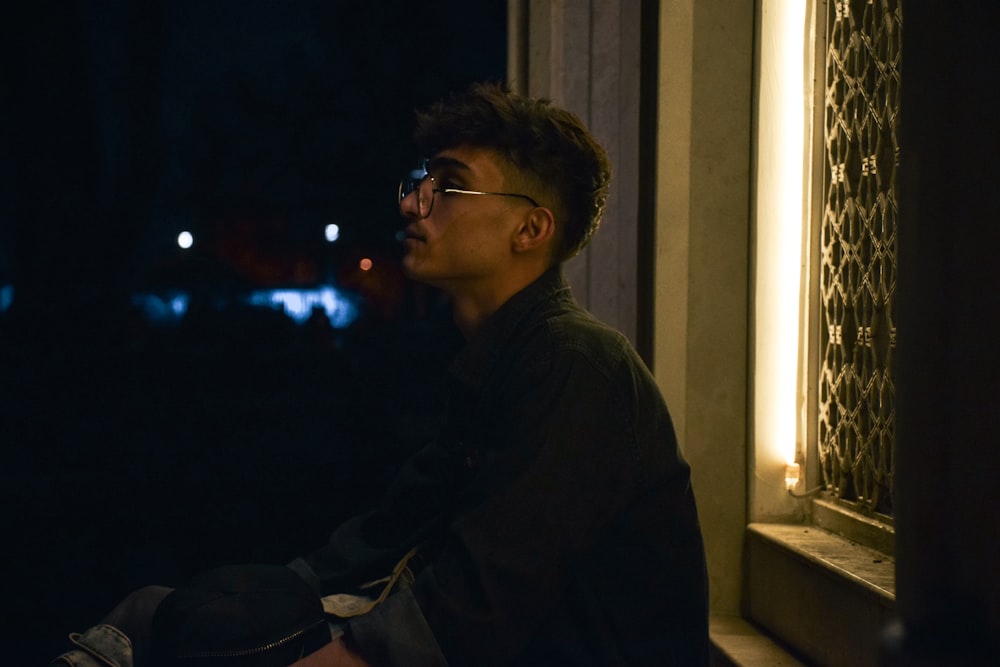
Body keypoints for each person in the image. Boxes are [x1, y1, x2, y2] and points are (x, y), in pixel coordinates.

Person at [52, 81, 709, 666]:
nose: (415, 204)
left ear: (530, 228)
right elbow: (382, 536)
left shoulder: (577, 364)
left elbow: (478, 602)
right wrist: (241, 602)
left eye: (448, 187)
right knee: (155, 613)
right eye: (421, 183)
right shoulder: (495, 364)